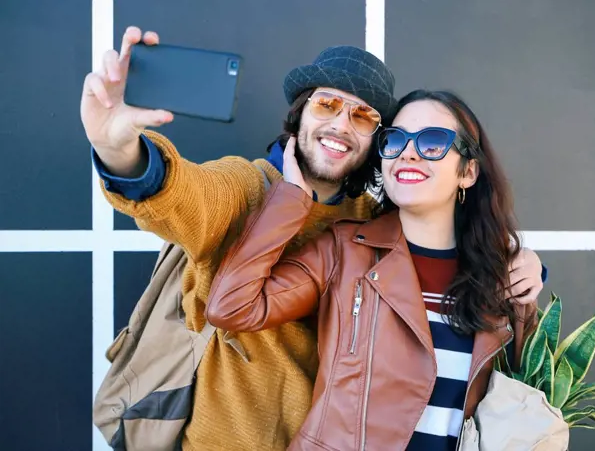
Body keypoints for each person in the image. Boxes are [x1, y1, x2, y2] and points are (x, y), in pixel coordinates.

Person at [81, 25, 545, 450]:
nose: (341, 125)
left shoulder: (371, 222)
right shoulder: (249, 189)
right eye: (326, 105)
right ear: (300, 113)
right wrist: (118, 148)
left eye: (363, 117)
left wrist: (523, 262)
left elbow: (448, 240)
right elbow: (184, 194)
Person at [205, 89, 538, 451]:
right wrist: (290, 198)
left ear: (468, 171)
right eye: (394, 140)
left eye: (432, 142)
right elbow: (232, 306)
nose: (408, 153)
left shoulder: (503, 281)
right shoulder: (344, 252)